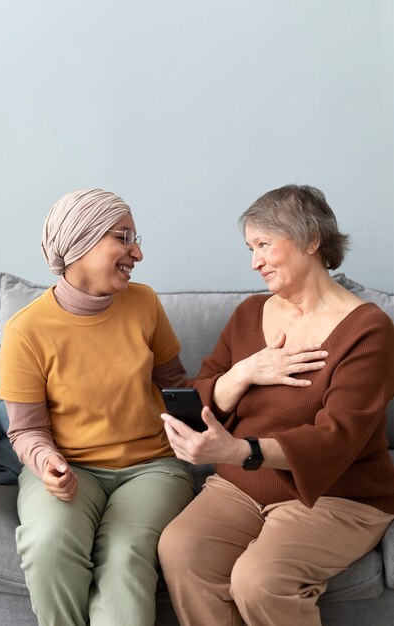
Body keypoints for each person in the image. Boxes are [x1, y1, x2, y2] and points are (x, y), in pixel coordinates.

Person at [0, 188, 332, 626]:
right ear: (81, 243)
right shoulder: (25, 330)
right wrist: (46, 464)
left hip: (151, 467)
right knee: (47, 544)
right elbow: (25, 430)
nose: (137, 251)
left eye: (135, 238)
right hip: (69, 467)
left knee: (125, 555)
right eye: (124, 237)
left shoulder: (144, 303)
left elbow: (178, 389)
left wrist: (228, 406)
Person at [158, 184, 394, 626]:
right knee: (180, 550)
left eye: (264, 244)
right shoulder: (249, 314)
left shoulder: (369, 329)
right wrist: (244, 373)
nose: (254, 261)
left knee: (259, 579)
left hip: (335, 495)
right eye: (250, 247)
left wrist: (239, 451)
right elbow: (202, 389)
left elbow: (335, 439)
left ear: (310, 240)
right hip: (239, 488)